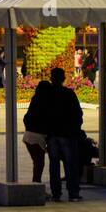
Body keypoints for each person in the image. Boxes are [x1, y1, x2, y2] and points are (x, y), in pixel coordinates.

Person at [46, 67, 84, 202]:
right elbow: (78, 113)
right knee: (71, 164)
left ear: (51, 78)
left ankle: (56, 193)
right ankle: (73, 193)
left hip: (52, 134)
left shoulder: (47, 94)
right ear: (63, 79)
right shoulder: (69, 94)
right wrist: (76, 129)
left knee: (54, 165)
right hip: (67, 134)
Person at [22, 79, 52, 183]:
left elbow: (26, 118)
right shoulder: (47, 101)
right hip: (38, 136)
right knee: (39, 163)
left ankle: (36, 183)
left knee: (37, 163)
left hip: (28, 135)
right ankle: (36, 184)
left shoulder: (35, 99)